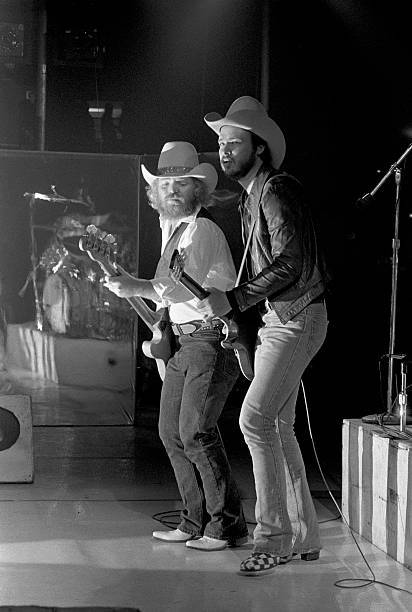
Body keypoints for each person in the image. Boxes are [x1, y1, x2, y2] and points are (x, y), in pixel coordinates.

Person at [198, 96, 330, 575]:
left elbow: (291, 263)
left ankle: (271, 538)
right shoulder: (251, 199)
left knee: (254, 421)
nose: (225, 151)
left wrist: (232, 300)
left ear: (260, 147)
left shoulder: (276, 191)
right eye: (221, 145)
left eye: (233, 143)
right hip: (282, 319)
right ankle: (304, 538)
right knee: (277, 426)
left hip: (296, 317)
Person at [104, 141, 248, 551]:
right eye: (165, 185)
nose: (172, 191)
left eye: (182, 184)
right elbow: (168, 297)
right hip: (184, 343)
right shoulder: (173, 232)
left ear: (197, 191)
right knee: (171, 432)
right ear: (155, 193)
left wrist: (136, 286)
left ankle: (225, 525)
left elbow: (177, 287)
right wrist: (137, 292)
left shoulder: (202, 229)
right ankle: (194, 520)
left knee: (195, 432)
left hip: (209, 339)